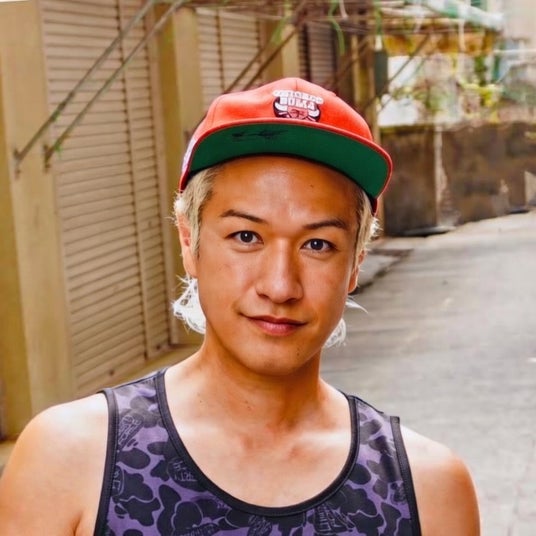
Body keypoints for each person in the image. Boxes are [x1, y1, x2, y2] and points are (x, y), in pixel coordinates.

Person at [0, 77, 479, 535]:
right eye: (246, 236)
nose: (280, 286)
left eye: (318, 244)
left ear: (355, 262)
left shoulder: (426, 490)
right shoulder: (74, 459)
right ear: (189, 242)